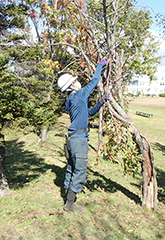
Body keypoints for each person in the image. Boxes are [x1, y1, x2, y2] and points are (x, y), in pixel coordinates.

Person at [57, 59, 108, 212]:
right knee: (80, 170)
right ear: (72, 86)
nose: (78, 82)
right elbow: (94, 81)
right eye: (76, 81)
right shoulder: (78, 96)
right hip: (79, 140)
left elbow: (88, 113)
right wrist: (100, 66)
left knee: (71, 168)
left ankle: (68, 198)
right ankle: (70, 204)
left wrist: (100, 102)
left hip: (73, 139)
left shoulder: (73, 100)